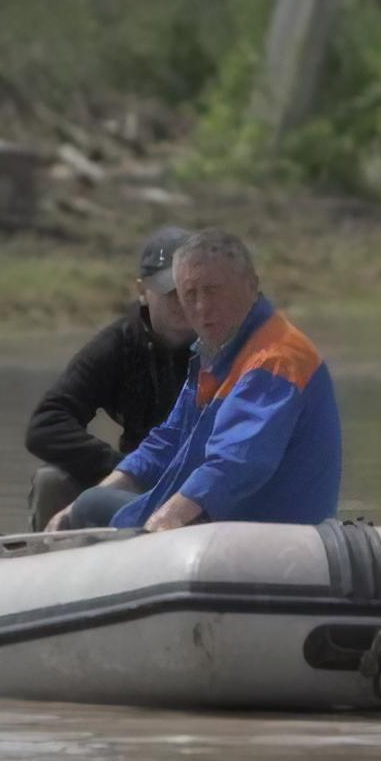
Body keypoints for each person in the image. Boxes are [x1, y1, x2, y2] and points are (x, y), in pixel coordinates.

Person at [49, 228, 342, 533]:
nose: (201, 308)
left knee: (92, 507)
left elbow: (237, 462)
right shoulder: (215, 354)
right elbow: (168, 442)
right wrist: (89, 498)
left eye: (213, 291)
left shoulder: (275, 358)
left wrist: (166, 519)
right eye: (189, 295)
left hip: (272, 534)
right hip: (222, 529)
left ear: (251, 286)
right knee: (88, 501)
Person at [24, 226, 194, 530]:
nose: (180, 300)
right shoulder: (118, 345)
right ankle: (51, 552)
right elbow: (46, 425)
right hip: (136, 478)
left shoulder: (223, 348)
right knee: (51, 480)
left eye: (190, 289)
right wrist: (120, 469)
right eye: (169, 289)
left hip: (201, 487)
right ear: (142, 291)